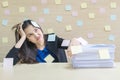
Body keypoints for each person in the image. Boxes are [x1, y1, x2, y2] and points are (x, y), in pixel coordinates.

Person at [6, 19, 80, 65]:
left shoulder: (52, 38)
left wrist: (74, 41)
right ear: (27, 38)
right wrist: (22, 38)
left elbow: (74, 45)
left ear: (40, 28)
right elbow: (8, 63)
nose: (36, 35)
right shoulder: (26, 50)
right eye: (30, 35)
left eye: (36, 30)